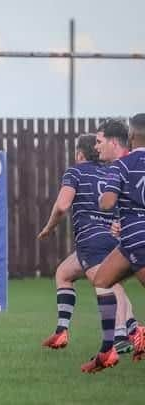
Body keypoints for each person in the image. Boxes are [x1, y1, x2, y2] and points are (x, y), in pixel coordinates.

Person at [37, 134, 122, 372]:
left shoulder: (75, 171)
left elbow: (62, 206)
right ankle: (61, 332)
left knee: (106, 286)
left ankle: (127, 334)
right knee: (64, 273)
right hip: (114, 238)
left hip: (91, 241)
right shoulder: (110, 172)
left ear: (79, 154)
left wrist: (48, 228)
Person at [93, 113, 145, 366]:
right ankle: (108, 349)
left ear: (132, 136)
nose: (96, 146)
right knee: (103, 279)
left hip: (139, 239)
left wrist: (103, 202)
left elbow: (108, 202)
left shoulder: (122, 166)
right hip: (130, 239)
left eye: (99, 141)